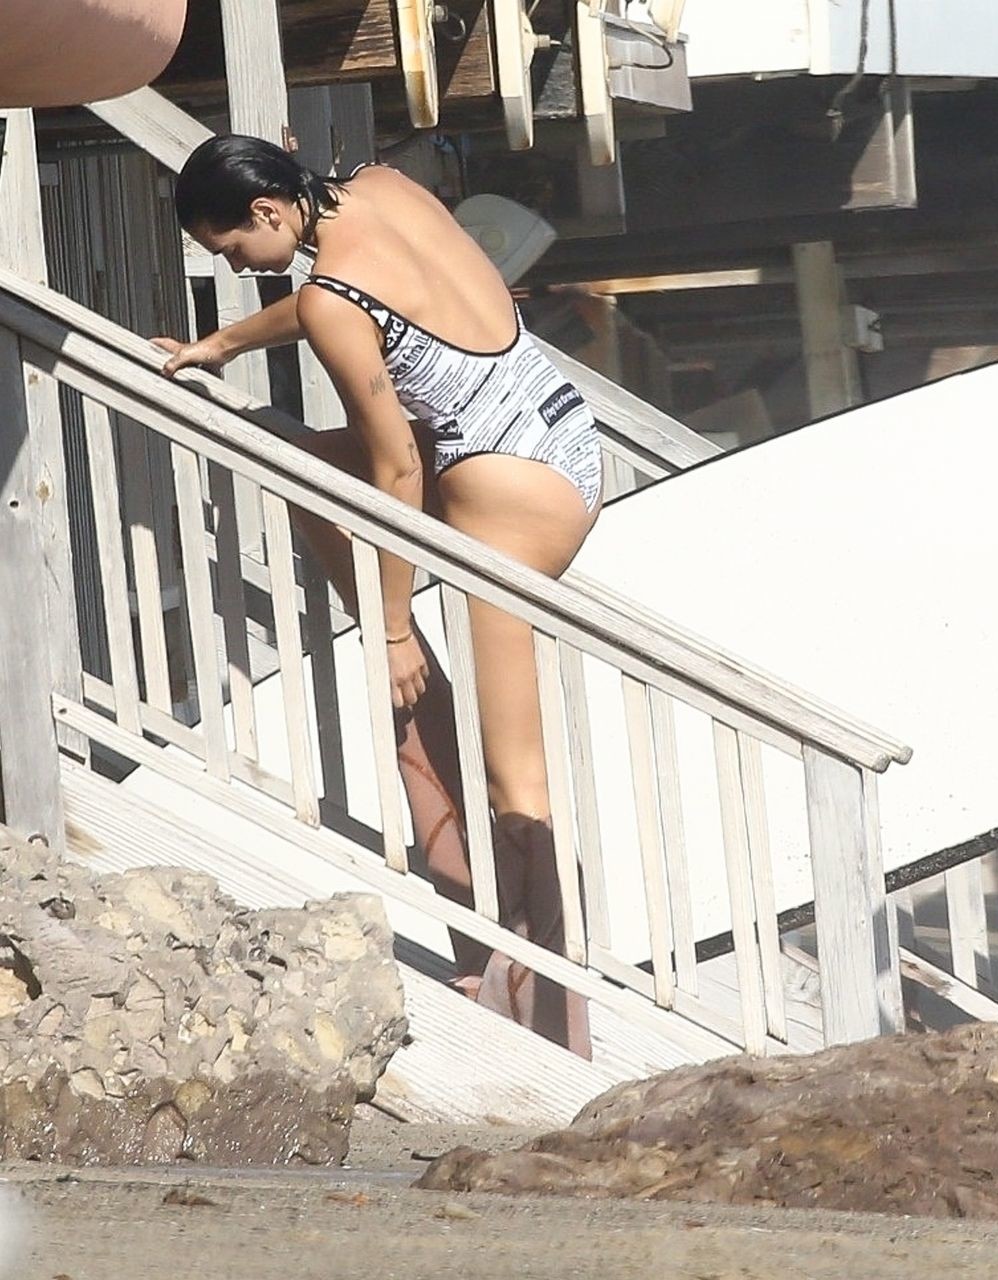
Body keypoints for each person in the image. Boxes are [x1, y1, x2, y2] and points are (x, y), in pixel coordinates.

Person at [155, 134, 600, 1057]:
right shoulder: (379, 186)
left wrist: (394, 629)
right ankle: (494, 950)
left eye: (233, 250)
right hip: (557, 427)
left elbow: (397, 465)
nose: (237, 270)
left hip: (507, 488)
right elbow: (339, 305)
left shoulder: (329, 294)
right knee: (309, 465)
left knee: (516, 779)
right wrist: (220, 345)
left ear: (268, 211)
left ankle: (556, 1025)